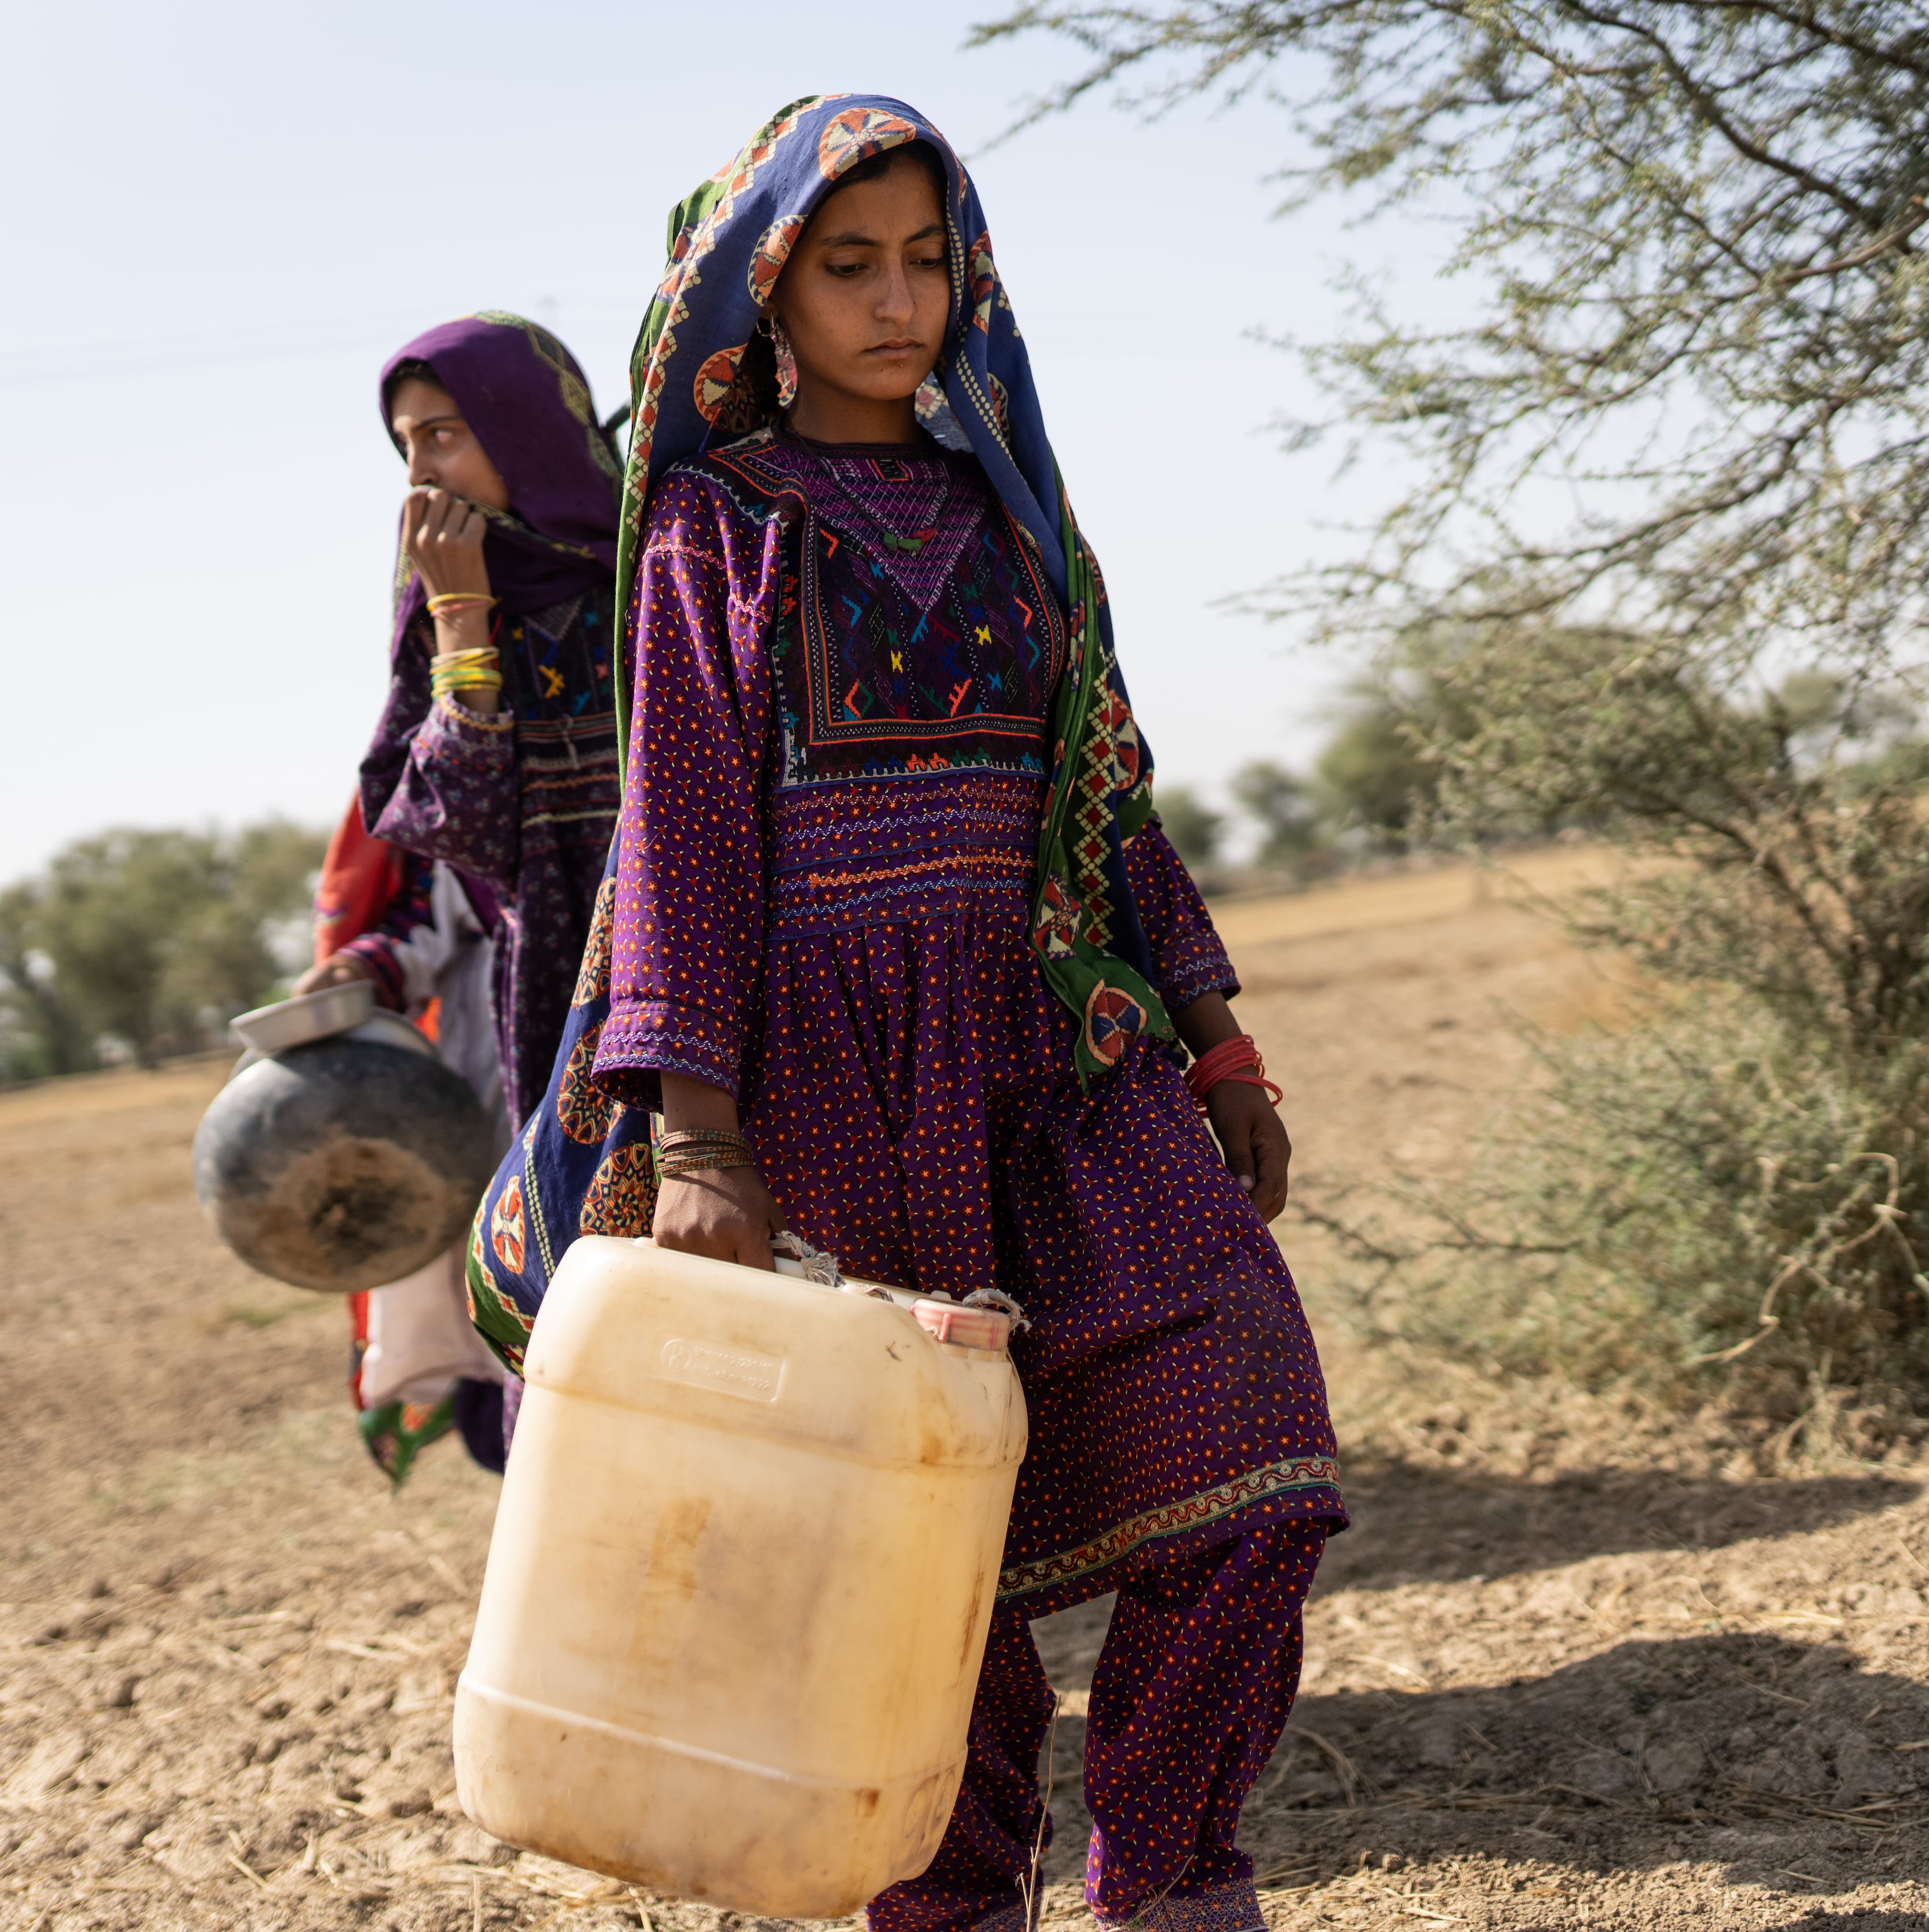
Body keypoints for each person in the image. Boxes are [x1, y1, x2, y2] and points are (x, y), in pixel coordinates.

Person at [462, 97, 1344, 1932]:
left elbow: (1104, 794)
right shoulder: (716, 522)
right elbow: (685, 829)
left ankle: (1170, 1882)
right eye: (847, 263)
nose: (895, 300)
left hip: (1054, 1065)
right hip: (826, 1085)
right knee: (912, 1575)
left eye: (925, 260)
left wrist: (1214, 1031)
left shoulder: (1015, 522)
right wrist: (697, 1137)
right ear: (764, 297)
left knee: (1257, 1460)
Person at [316, 312, 624, 1127]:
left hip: (697, 976)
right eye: (405, 446)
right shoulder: (439, 610)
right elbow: (464, 834)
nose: (419, 473)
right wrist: (460, 619)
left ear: (522, 434)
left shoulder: (654, 575)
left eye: (442, 436)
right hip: (552, 1013)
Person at [306, 801, 516, 1483]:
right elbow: (421, 921)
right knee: (509, 1325)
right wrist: (360, 969)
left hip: (661, 1039)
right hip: (495, 1072)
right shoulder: (472, 741)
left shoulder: (668, 708)